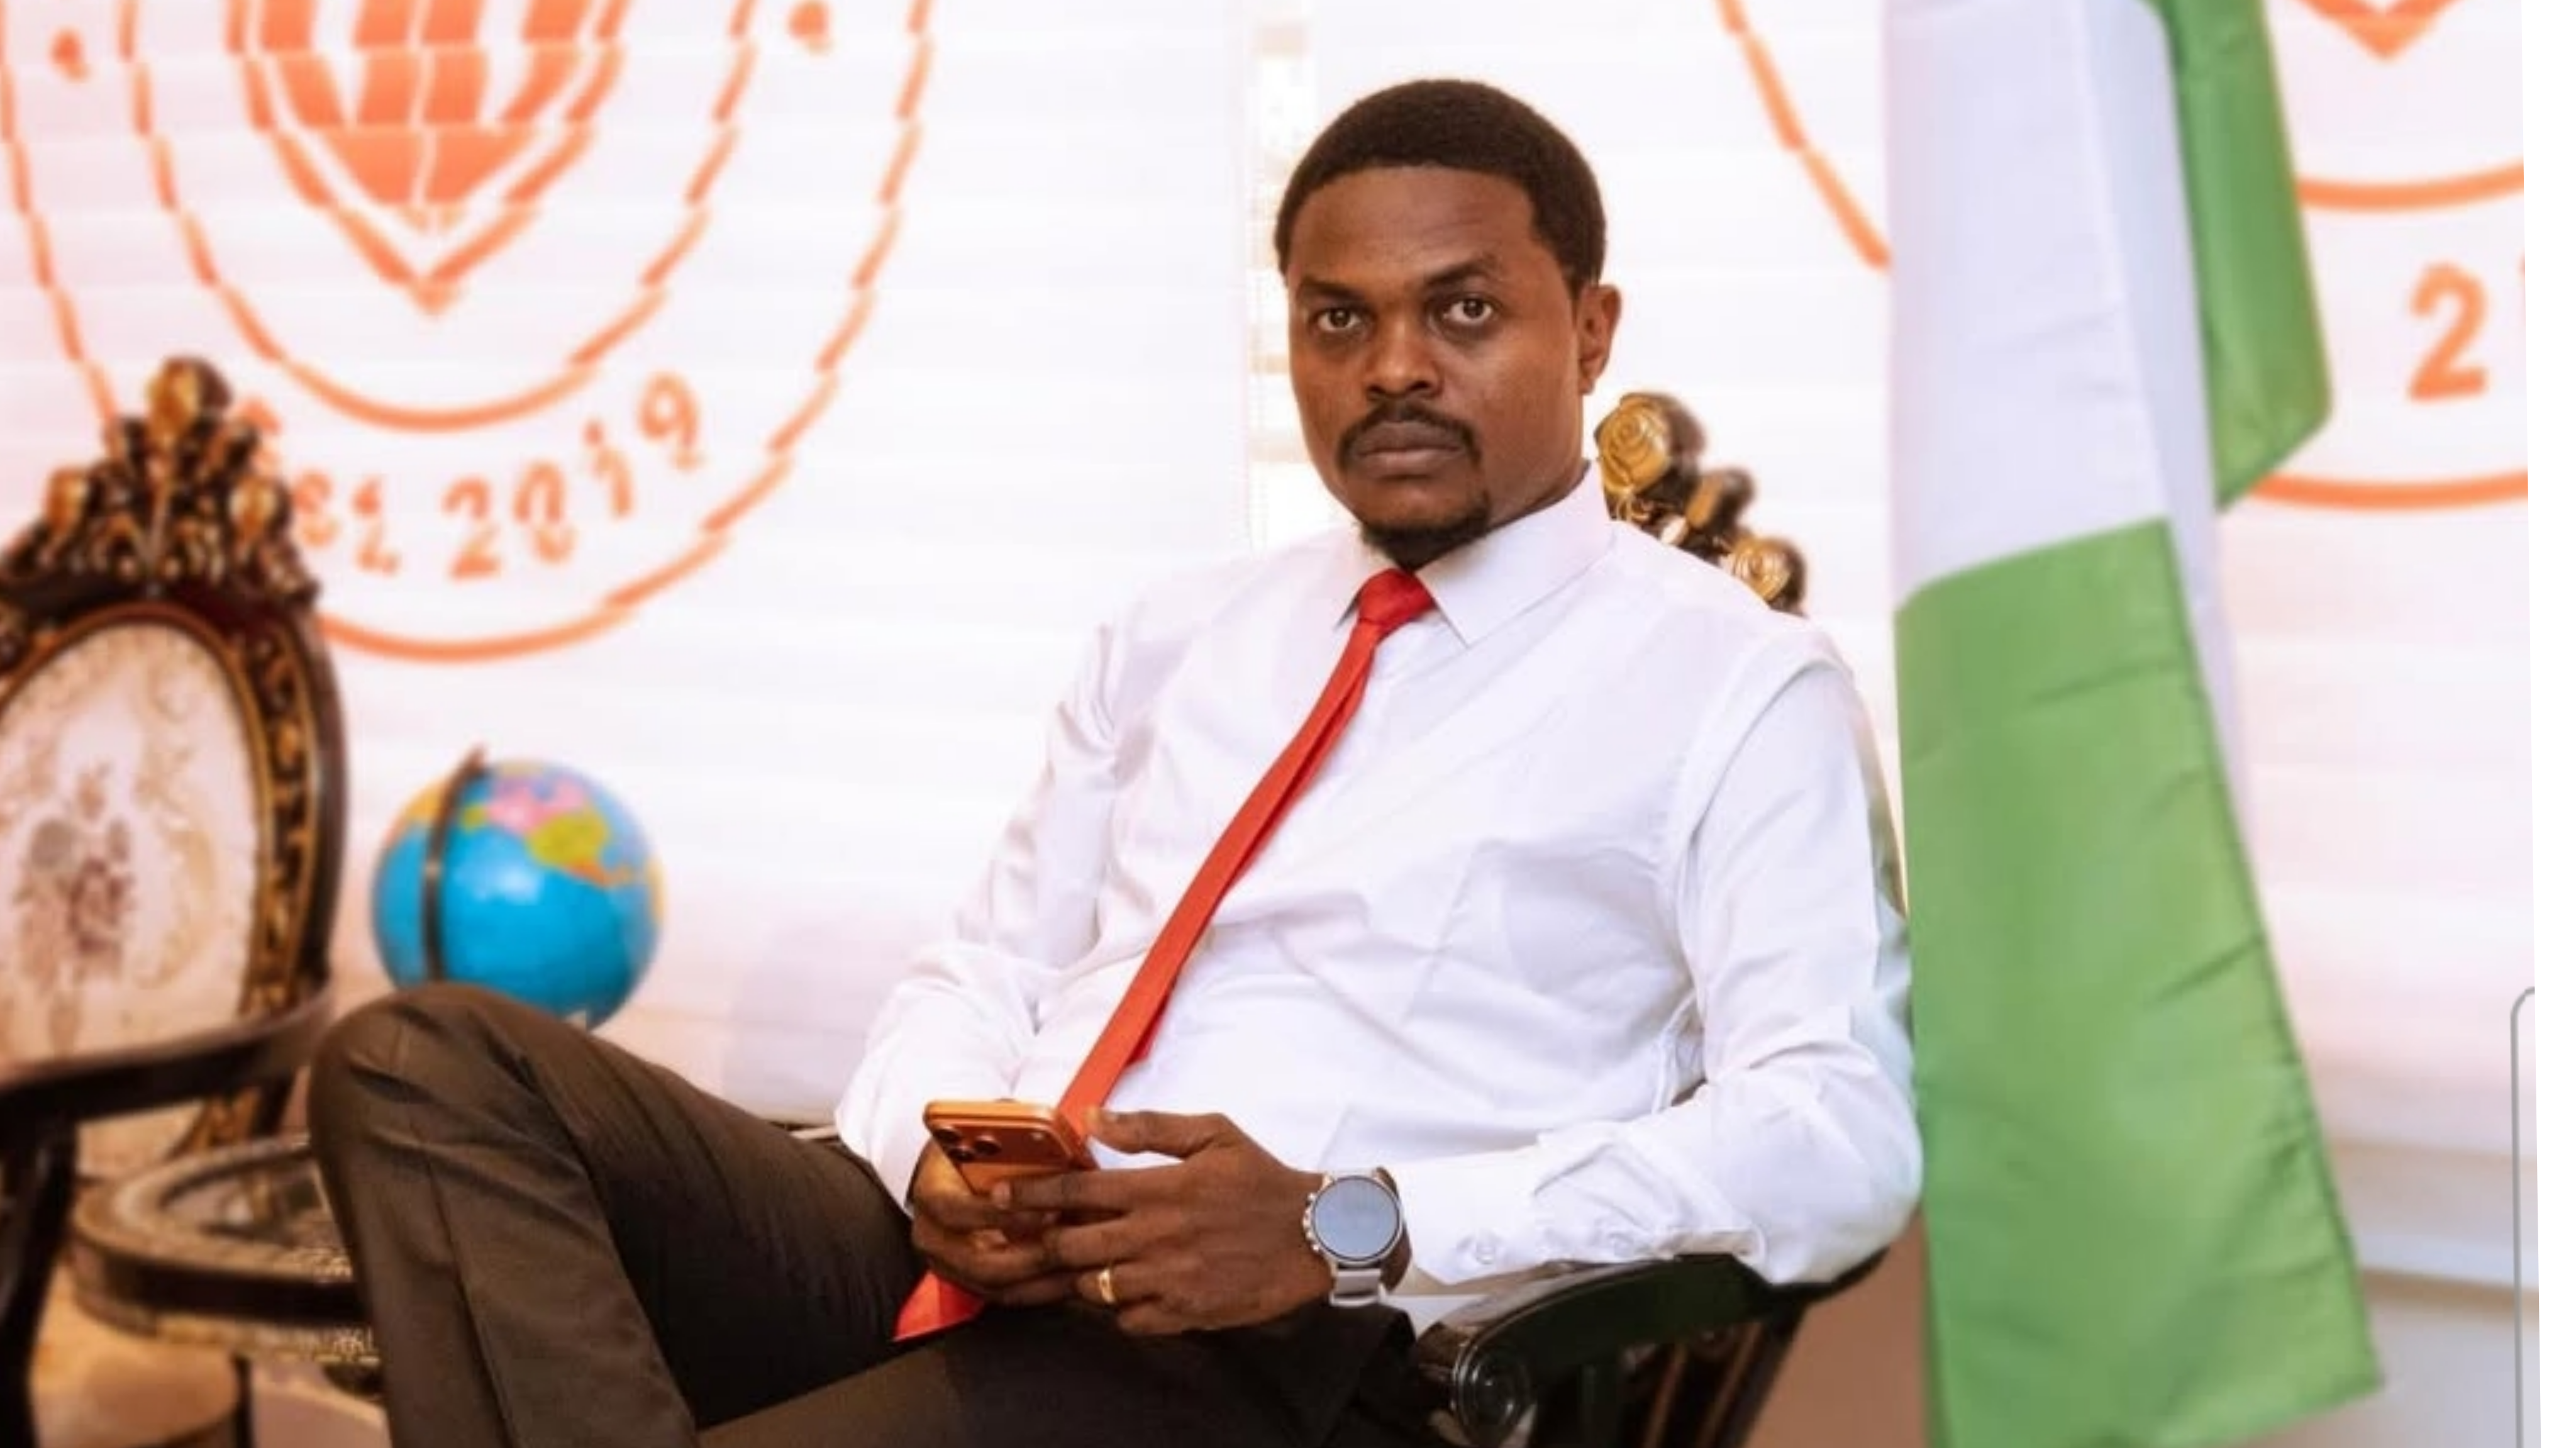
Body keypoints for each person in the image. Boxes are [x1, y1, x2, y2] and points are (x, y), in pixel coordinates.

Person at [306, 77, 1918, 1447]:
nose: (1393, 366)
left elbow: (1837, 1130)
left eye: (1462, 309)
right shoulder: (1179, 632)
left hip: (1278, 1348)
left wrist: (1346, 1223)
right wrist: (930, 1155)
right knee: (420, 1064)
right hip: (977, 1255)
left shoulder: (1733, 686)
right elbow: (982, 969)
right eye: (1338, 318)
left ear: (1591, 328)